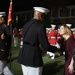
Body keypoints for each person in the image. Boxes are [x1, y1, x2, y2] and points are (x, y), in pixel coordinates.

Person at [18, 7, 58, 75]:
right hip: (33, 57)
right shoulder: (40, 26)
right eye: (44, 16)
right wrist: (56, 49)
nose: (44, 18)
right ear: (41, 15)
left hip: (23, 55)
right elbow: (45, 46)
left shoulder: (26, 25)